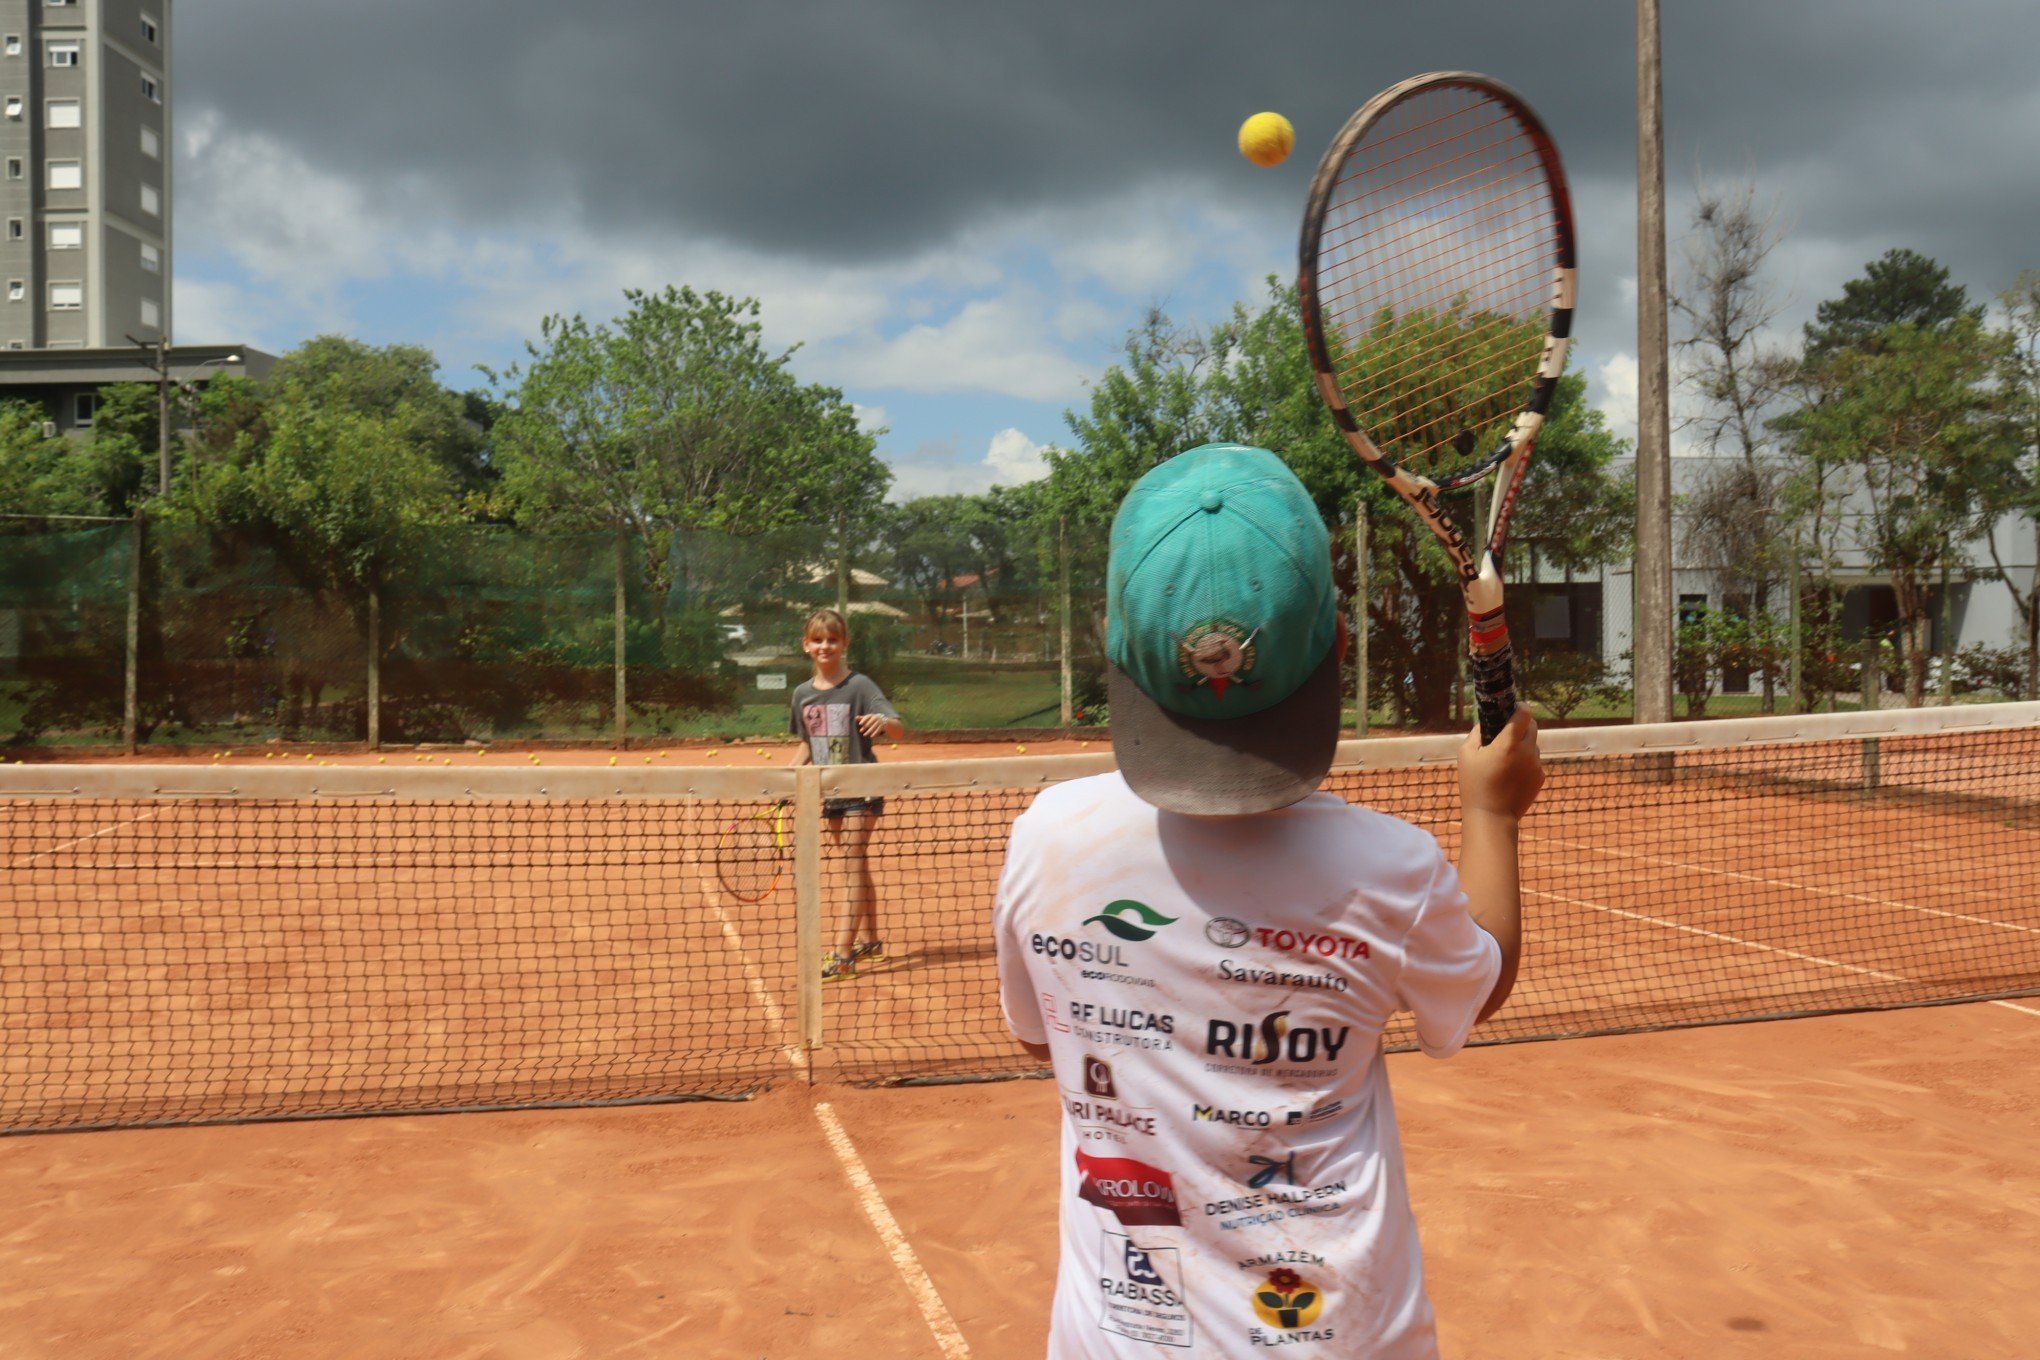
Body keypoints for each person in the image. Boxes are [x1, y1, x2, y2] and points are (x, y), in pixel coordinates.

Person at [992, 443, 1542, 1358]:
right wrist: (1493, 811)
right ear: (1337, 641)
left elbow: (1032, 1033)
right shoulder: (1389, 868)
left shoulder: (1049, 838)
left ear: (1111, 639)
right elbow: (1477, 986)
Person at [789, 607, 905, 981]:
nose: (826, 646)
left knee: (851, 864)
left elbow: (899, 728)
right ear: (806, 645)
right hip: (830, 794)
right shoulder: (802, 695)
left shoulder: (860, 686)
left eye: (833, 639)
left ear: (844, 644)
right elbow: (809, 745)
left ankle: (843, 954)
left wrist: (884, 723)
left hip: (862, 788)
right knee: (855, 864)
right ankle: (870, 941)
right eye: (818, 639)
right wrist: (788, 778)